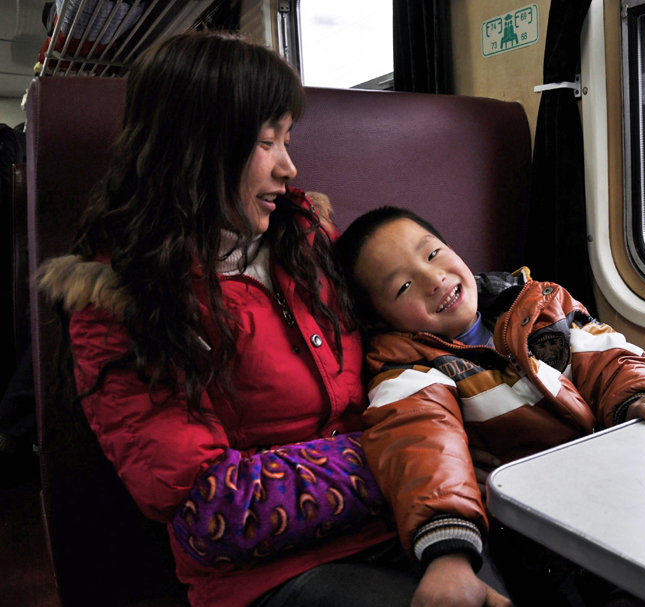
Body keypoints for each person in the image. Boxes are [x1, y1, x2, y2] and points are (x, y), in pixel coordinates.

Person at [39, 33, 509, 607]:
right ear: (195, 148)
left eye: (287, 139)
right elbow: (208, 507)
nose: (289, 167)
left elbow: (406, 319)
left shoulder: (305, 240)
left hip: (417, 518)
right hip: (274, 574)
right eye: (267, 142)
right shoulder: (119, 303)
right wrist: (424, 454)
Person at [335, 206, 645, 607]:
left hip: (608, 488)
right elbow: (421, 442)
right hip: (533, 530)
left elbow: (604, 354)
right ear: (381, 320)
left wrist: (635, 397)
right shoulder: (408, 365)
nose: (434, 280)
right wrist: (448, 554)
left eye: (433, 254)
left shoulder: (539, 303)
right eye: (402, 287)